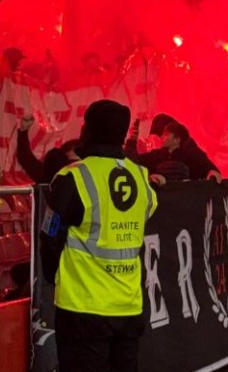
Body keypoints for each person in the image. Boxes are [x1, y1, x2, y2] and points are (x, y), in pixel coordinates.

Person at [42, 100, 156, 372]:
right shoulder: (140, 176)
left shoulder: (73, 177)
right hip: (128, 303)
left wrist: (51, 275)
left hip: (83, 306)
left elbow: (51, 234)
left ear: (87, 130)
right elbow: (148, 209)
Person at [15, 114, 79, 184]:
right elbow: (26, 158)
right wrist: (23, 132)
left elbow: (25, 159)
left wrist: (23, 131)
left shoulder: (53, 173)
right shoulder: (54, 172)